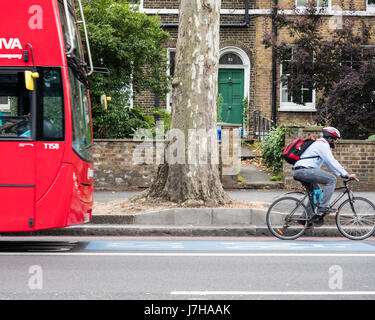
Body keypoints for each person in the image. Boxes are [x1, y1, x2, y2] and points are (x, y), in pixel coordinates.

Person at [292, 127, 357, 217]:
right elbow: (331, 161)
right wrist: (345, 174)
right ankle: (324, 207)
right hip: (304, 170)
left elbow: (329, 164)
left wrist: (342, 174)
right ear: (329, 138)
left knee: (317, 193)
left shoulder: (320, 144)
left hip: (300, 170)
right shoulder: (322, 145)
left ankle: (304, 219)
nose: (336, 142)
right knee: (331, 180)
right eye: (335, 139)